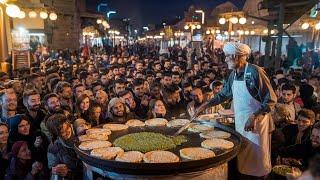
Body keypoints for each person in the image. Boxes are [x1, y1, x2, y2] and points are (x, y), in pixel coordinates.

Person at [194, 42, 277, 179]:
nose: (225, 59)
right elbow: (224, 94)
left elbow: (271, 99)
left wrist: (254, 116)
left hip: (257, 124)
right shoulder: (234, 74)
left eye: (227, 56)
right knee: (244, 159)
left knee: (258, 160)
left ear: (236, 56)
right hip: (241, 123)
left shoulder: (255, 72)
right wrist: (205, 105)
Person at [46, 113, 82, 180]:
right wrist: (58, 171)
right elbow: (52, 170)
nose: (67, 132)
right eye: (63, 132)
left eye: (68, 127)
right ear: (56, 134)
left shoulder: (78, 131)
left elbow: (80, 122)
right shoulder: (53, 148)